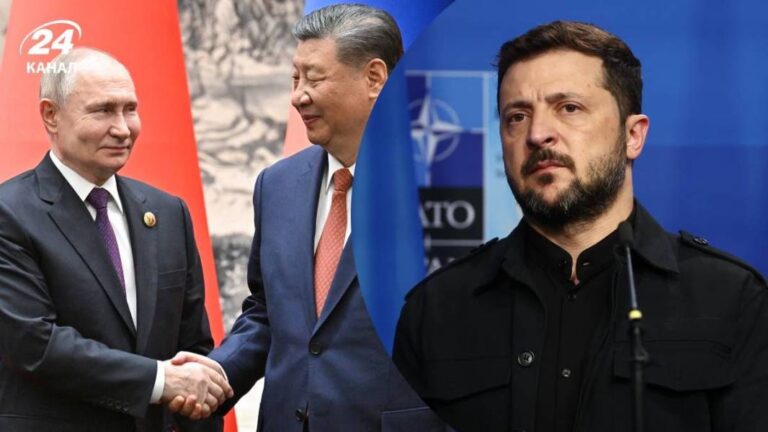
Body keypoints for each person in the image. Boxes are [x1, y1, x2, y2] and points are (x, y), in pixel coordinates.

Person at [393, 21, 768, 432]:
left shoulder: (732, 299)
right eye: (517, 116)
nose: (537, 134)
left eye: (568, 108)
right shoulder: (435, 310)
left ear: (633, 136)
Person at [171, 4, 446, 432]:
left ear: (375, 78)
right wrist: (218, 373)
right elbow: (267, 312)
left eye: (314, 79)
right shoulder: (278, 185)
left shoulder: (450, 184)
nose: (298, 96)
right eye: (294, 79)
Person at [0, 47, 232, 431]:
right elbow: (33, 343)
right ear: (51, 115)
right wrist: (159, 381)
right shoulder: (10, 214)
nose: (123, 128)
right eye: (103, 111)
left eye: (130, 109)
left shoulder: (169, 213)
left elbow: (193, 348)